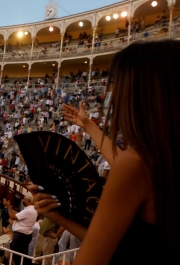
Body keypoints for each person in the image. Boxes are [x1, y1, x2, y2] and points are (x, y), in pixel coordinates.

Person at [32, 40, 180, 264]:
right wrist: (60, 218)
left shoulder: (137, 165)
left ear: (141, 98)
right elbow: (125, 246)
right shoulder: (165, 160)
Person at [3, 193, 37, 265]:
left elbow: (13, 217)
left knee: (17, 258)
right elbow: (17, 214)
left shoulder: (28, 210)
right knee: (22, 257)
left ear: (27, 200)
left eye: (24, 199)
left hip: (20, 237)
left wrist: (8, 206)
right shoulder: (33, 209)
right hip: (25, 236)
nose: (23, 200)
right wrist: (10, 208)